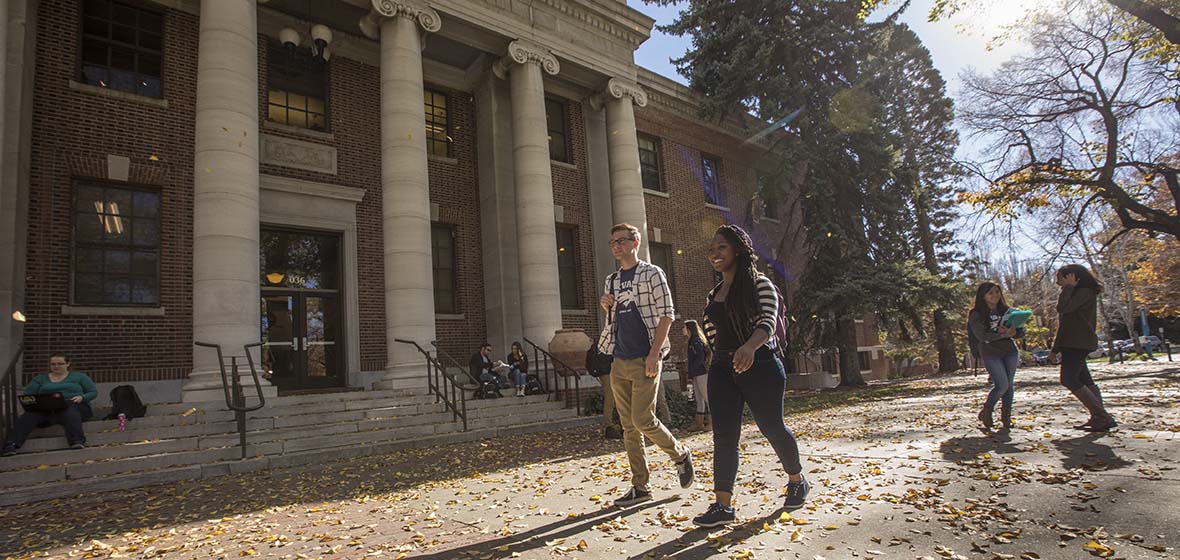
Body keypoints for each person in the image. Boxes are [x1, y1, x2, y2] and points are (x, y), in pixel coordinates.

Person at [692, 224, 808, 528]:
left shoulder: (761, 284)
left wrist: (750, 347)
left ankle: (796, 479)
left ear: (738, 251)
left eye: (721, 247)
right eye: (712, 249)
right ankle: (723, 505)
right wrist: (718, 359)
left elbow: (767, 320)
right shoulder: (714, 293)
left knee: (772, 427)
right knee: (725, 436)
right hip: (722, 370)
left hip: (761, 365)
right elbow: (714, 334)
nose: (714, 254)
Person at [596, 223, 694, 507]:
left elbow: (667, 315)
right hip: (619, 359)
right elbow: (614, 320)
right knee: (628, 428)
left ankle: (680, 455)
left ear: (635, 243)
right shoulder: (611, 280)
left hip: (645, 357)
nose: (616, 246)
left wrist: (654, 354)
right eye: (612, 242)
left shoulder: (653, 273)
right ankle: (640, 486)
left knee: (643, 419)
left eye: (621, 241)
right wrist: (606, 305)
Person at [1051, 264, 1117, 432]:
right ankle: (1098, 418)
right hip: (1070, 342)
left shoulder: (1084, 292)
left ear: (1071, 277)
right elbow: (1065, 323)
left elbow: (1064, 308)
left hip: (1078, 342)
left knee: (1068, 379)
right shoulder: (1075, 292)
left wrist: (1067, 289)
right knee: (1085, 380)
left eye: (1060, 276)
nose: (1056, 280)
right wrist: (1055, 347)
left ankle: (1102, 416)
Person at [2, 353, 98, 456]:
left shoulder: (79, 377)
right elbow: (28, 395)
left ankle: (77, 441)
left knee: (69, 407)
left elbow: (93, 392)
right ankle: (11, 445)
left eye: (60, 363)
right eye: (53, 364)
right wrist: (34, 403)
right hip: (47, 409)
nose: (56, 366)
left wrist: (82, 397)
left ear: (68, 364)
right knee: (29, 415)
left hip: (75, 406)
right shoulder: (40, 379)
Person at [967, 282, 1024, 430]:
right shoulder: (976, 314)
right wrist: (1001, 334)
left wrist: (1014, 333)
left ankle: (1006, 418)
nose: (995, 296)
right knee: (1002, 385)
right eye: (990, 293)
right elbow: (981, 335)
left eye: (997, 292)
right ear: (983, 296)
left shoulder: (1007, 311)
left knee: (1009, 385)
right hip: (991, 353)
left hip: (1010, 351)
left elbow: (1020, 331)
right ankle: (987, 410)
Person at [684, 320, 712, 432]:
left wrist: (693, 368)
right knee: (699, 399)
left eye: (684, 328)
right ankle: (699, 423)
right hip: (695, 374)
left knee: (707, 398)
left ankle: (712, 422)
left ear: (689, 329)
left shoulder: (695, 341)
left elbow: (700, 357)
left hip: (701, 373)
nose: (683, 330)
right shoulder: (691, 341)